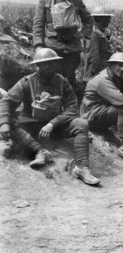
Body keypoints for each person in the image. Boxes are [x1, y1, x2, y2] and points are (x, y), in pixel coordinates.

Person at [0, 48, 99, 185]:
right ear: (37, 65)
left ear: (57, 64)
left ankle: (82, 167)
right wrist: (4, 123)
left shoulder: (63, 83)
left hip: (55, 128)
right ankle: (40, 151)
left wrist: (52, 124)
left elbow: (73, 108)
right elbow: (6, 102)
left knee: (81, 123)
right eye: (43, 63)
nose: (47, 67)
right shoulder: (26, 82)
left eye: (51, 63)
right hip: (31, 127)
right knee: (7, 123)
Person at [82, 52, 123, 166]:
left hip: (102, 113)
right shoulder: (104, 80)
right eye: (119, 65)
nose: (122, 69)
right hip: (90, 116)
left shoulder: (118, 77)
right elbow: (122, 100)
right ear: (111, 65)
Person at [32, 0, 93, 95]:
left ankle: (71, 104)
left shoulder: (76, 2)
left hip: (71, 49)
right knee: (49, 77)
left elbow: (89, 21)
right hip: (51, 47)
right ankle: (48, 104)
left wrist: (82, 33)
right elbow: (38, 25)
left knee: (69, 77)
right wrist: (38, 45)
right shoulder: (45, 2)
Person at [84, 6, 115, 81]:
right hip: (96, 74)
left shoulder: (100, 32)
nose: (109, 21)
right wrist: (95, 76)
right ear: (101, 19)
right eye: (108, 18)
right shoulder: (94, 33)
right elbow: (93, 58)